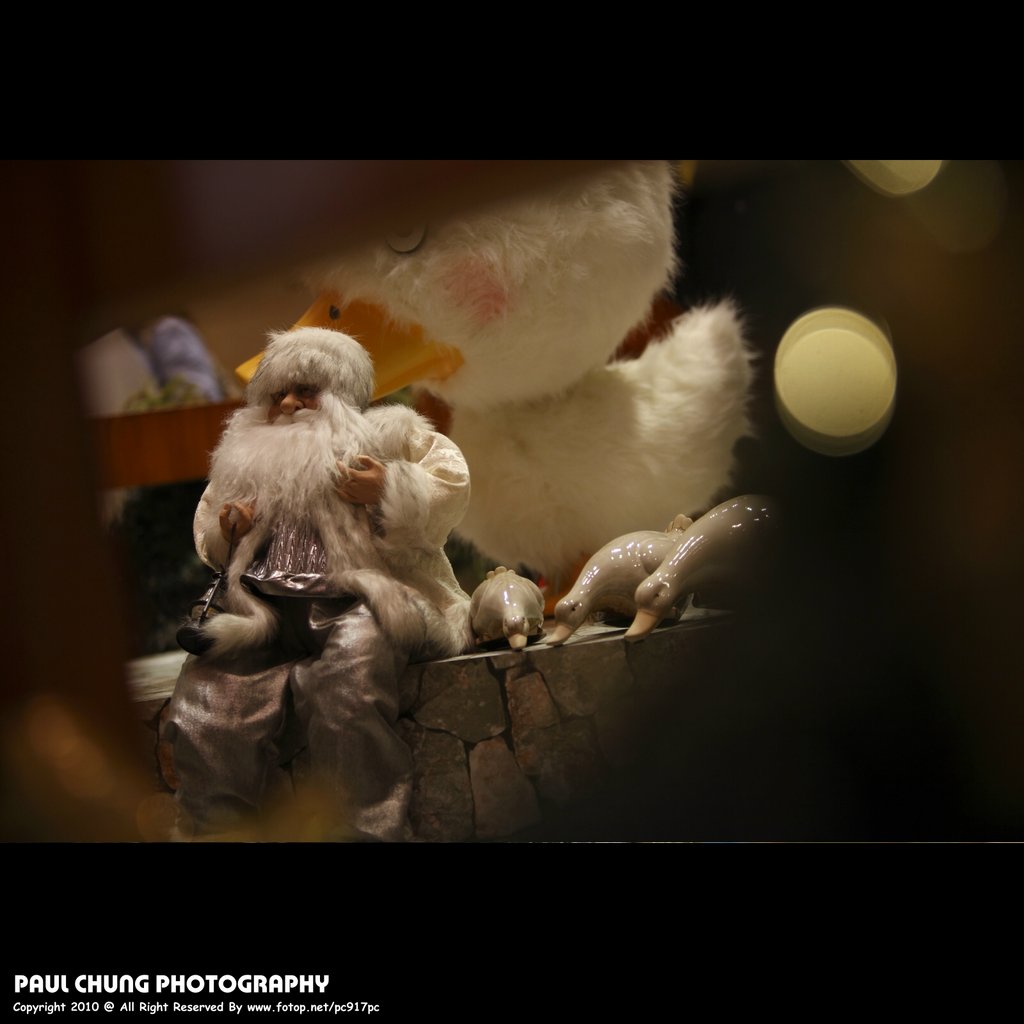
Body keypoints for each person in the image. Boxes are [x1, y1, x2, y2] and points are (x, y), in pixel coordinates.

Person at [163, 327, 473, 841]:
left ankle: (367, 831)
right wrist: (231, 527)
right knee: (209, 706)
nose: (288, 404)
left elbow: (450, 483)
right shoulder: (246, 454)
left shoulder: (388, 435)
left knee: (348, 694)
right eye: (277, 393)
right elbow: (211, 534)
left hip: (359, 602)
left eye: (305, 391)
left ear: (340, 392)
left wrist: (389, 486)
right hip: (263, 613)